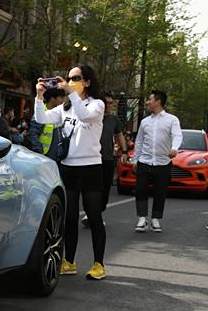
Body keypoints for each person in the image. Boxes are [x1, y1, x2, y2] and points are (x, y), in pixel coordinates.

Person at [34, 64, 107, 280]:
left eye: (76, 78)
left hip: (91, 167)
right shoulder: (65, 107)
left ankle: (99, 264)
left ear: (87, 82)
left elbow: (84, 116)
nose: (71, 80)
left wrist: (70, 92)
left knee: (94, 217)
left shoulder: (97, 105)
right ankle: (69, 261)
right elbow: (41, 118)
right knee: (69, 217)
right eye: (69, 78)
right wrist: (39, 96)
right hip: (68, 167)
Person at [132, 90, 182, 233]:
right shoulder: (144, 122)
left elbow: (177, 135)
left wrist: (174, 148)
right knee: (141, 189)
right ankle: (142, 219)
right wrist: (135, 160)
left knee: (160, 191)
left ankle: (155, 219)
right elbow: (139, 142)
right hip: (144, 161)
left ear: (158, 101)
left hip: (163, 162)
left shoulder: (172, 120)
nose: (147, 102)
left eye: (150, 99)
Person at [83, 91, 128, 227]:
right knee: (90, 188)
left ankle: (97, 213)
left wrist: (124, 151)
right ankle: (89, 214)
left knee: (105, 188)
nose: (109, 105)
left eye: (110, 103)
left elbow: (119, 135)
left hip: (107, 158)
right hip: (90, 158)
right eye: (106, 102)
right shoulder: (91, 116)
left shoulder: (113, 119)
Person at [27, 86, 65, 157]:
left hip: (56, 157)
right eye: (61, 97)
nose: (63, 100)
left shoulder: (60, 113)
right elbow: (33, 135)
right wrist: (40, 153)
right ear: (52, 99)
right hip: (43, 156)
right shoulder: (40, 114)